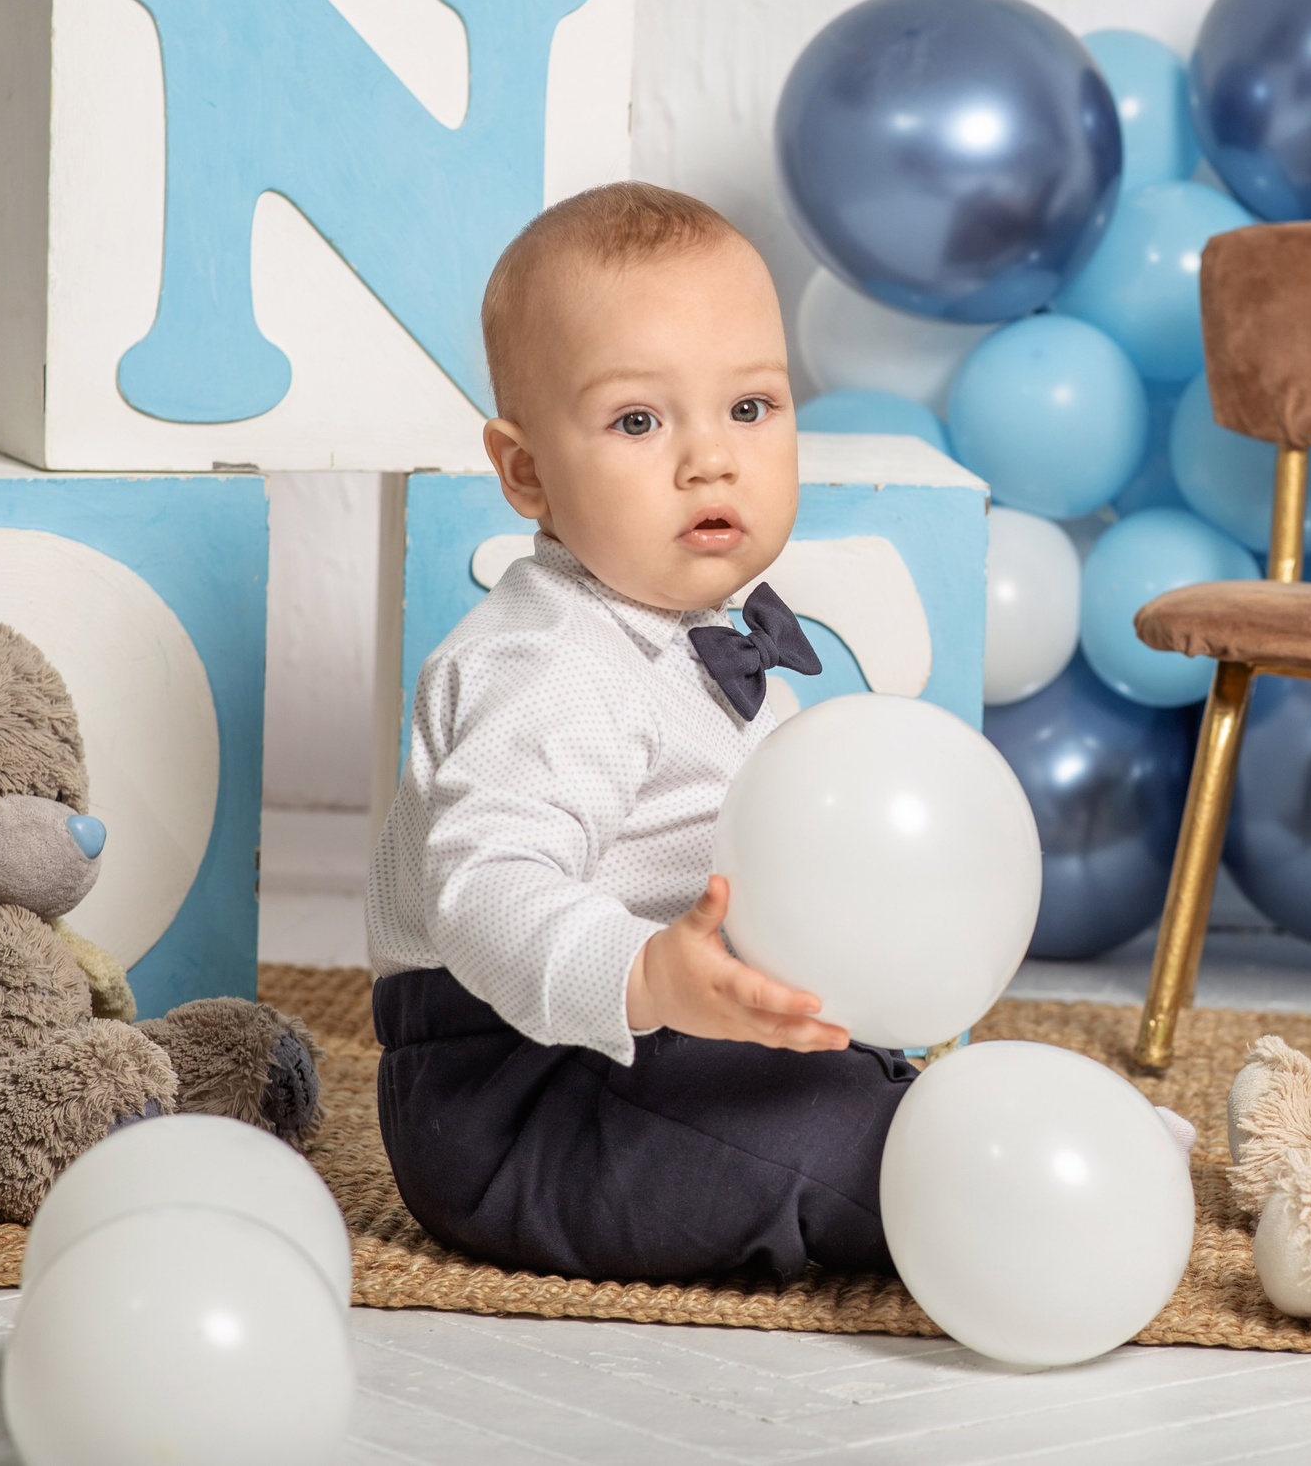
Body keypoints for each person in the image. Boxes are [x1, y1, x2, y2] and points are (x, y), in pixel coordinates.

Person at [364, 181, 908, 1283]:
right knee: (849, 1156)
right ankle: (959, 1176)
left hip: (659, 1045)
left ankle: (943, 1129)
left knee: (855, 1072)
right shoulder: (551, 665)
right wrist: (646, 976)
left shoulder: (696, 631)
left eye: (750, 408)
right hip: (520, 1093)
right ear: (525, 471)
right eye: (637, 421)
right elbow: (486, 892)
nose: (709, 459)